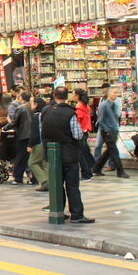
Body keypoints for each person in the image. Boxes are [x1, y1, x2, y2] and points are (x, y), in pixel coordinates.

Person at [40, 87, 94, 223]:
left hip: (52, 154)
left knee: (57, 184)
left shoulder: (46, 112)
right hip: (69, 154)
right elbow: (77, 135)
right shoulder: (70, 113)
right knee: (72, 185)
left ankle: (58, 211)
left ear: (53, 96)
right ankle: (77, 214)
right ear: (67, 96)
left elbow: (42, 132)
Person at [93, 87, 128, 178]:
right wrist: (106, 130)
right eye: (114, 92)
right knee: (114, 151)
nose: (116, 94)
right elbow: (100, 120)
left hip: (114, 130)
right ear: (109, 94)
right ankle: (120, 171)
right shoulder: (104, 105)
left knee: (108, 151)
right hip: (108, 132)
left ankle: (96, 168)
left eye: (117, 93)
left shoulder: (115, 105)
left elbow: (116, 117)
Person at [9, 91, 33, 184]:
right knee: (28, 157)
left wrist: (5, 127)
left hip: (23, 135)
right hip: (31, 134)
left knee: (20, 156)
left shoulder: (20, 108)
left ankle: (18, 177)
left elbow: (14, 122)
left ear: (21, 98)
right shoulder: (31, 107)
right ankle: (32, 177)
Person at [73, 89, 95, 180]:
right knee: (85, 152)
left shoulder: (79, 107)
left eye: (74, 94)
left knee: (81, 154)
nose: (72, 96)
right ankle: (89, 171)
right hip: (85, 131)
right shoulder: (86, 106)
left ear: (77, 96)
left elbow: (78, 120)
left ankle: (86, 173)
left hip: (81, 132)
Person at [27, 97, 49, 190]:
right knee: (43, 162)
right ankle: (50, 181)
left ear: (36, 104)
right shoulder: (46, 114)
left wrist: (30, 144)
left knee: (32, 162)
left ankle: (44, 181)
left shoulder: (36, 116)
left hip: (38, 143)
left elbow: (35, 132)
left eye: (32, 103)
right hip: (46, 142)